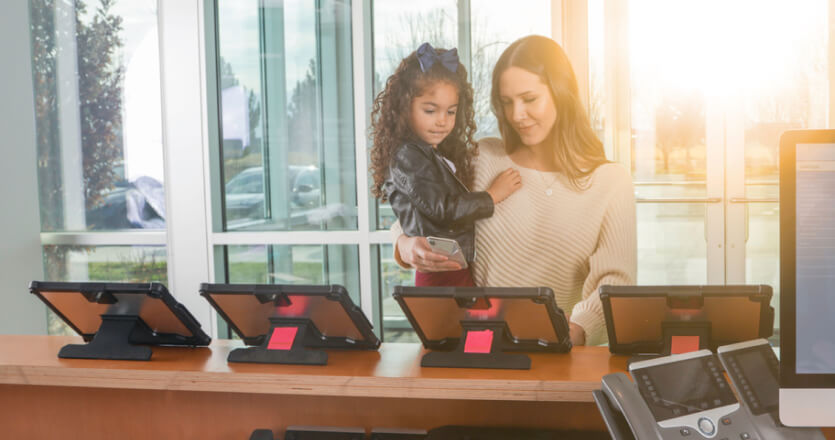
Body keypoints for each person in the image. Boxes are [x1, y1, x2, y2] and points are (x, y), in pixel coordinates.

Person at [392, 35, 637, 346]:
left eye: (529, 99)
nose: (516, 115)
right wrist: (404, 244)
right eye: (507, 103)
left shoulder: (611, 182)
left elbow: (615, 281)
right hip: (477, 349)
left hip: (558, 353)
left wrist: (576, 331)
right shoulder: (481, 158)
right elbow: (420, 212)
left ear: (562, 94)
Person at [370, 42, 522, 287]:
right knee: (454, 324)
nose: (442, 121)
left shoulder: (432, 152)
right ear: (404, 108)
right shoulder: (409, 156)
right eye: (430, 110)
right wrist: (492, 196)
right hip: (440, 267)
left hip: (450, 262)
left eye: (450, 112)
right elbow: (443, 209)